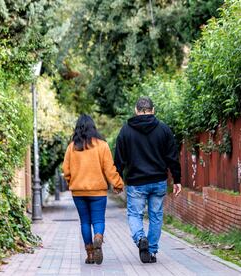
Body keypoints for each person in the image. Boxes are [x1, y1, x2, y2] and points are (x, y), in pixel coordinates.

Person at [115, 97, 182, 264]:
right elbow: (172, 157)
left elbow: (119, 160)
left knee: (134, 214)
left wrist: (117, 179)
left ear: (136, 110)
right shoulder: (164, 130)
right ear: (153, 110)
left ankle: (140, 239)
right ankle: (151, 251)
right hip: (158, 180)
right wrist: (177, 179)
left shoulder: (126, 131)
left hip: (136, 182)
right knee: (156, 216)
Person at [62, 114, 124, 265]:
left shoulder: (72, 147)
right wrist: (118, 184)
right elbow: (109, 168)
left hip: (78, 192)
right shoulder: (102, 145)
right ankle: (98, 237)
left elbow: (66, 170)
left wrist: (72, 182)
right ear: (93, 127)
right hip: (98, 191)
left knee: (84, 222)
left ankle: (90, 254)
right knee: (98, 220)